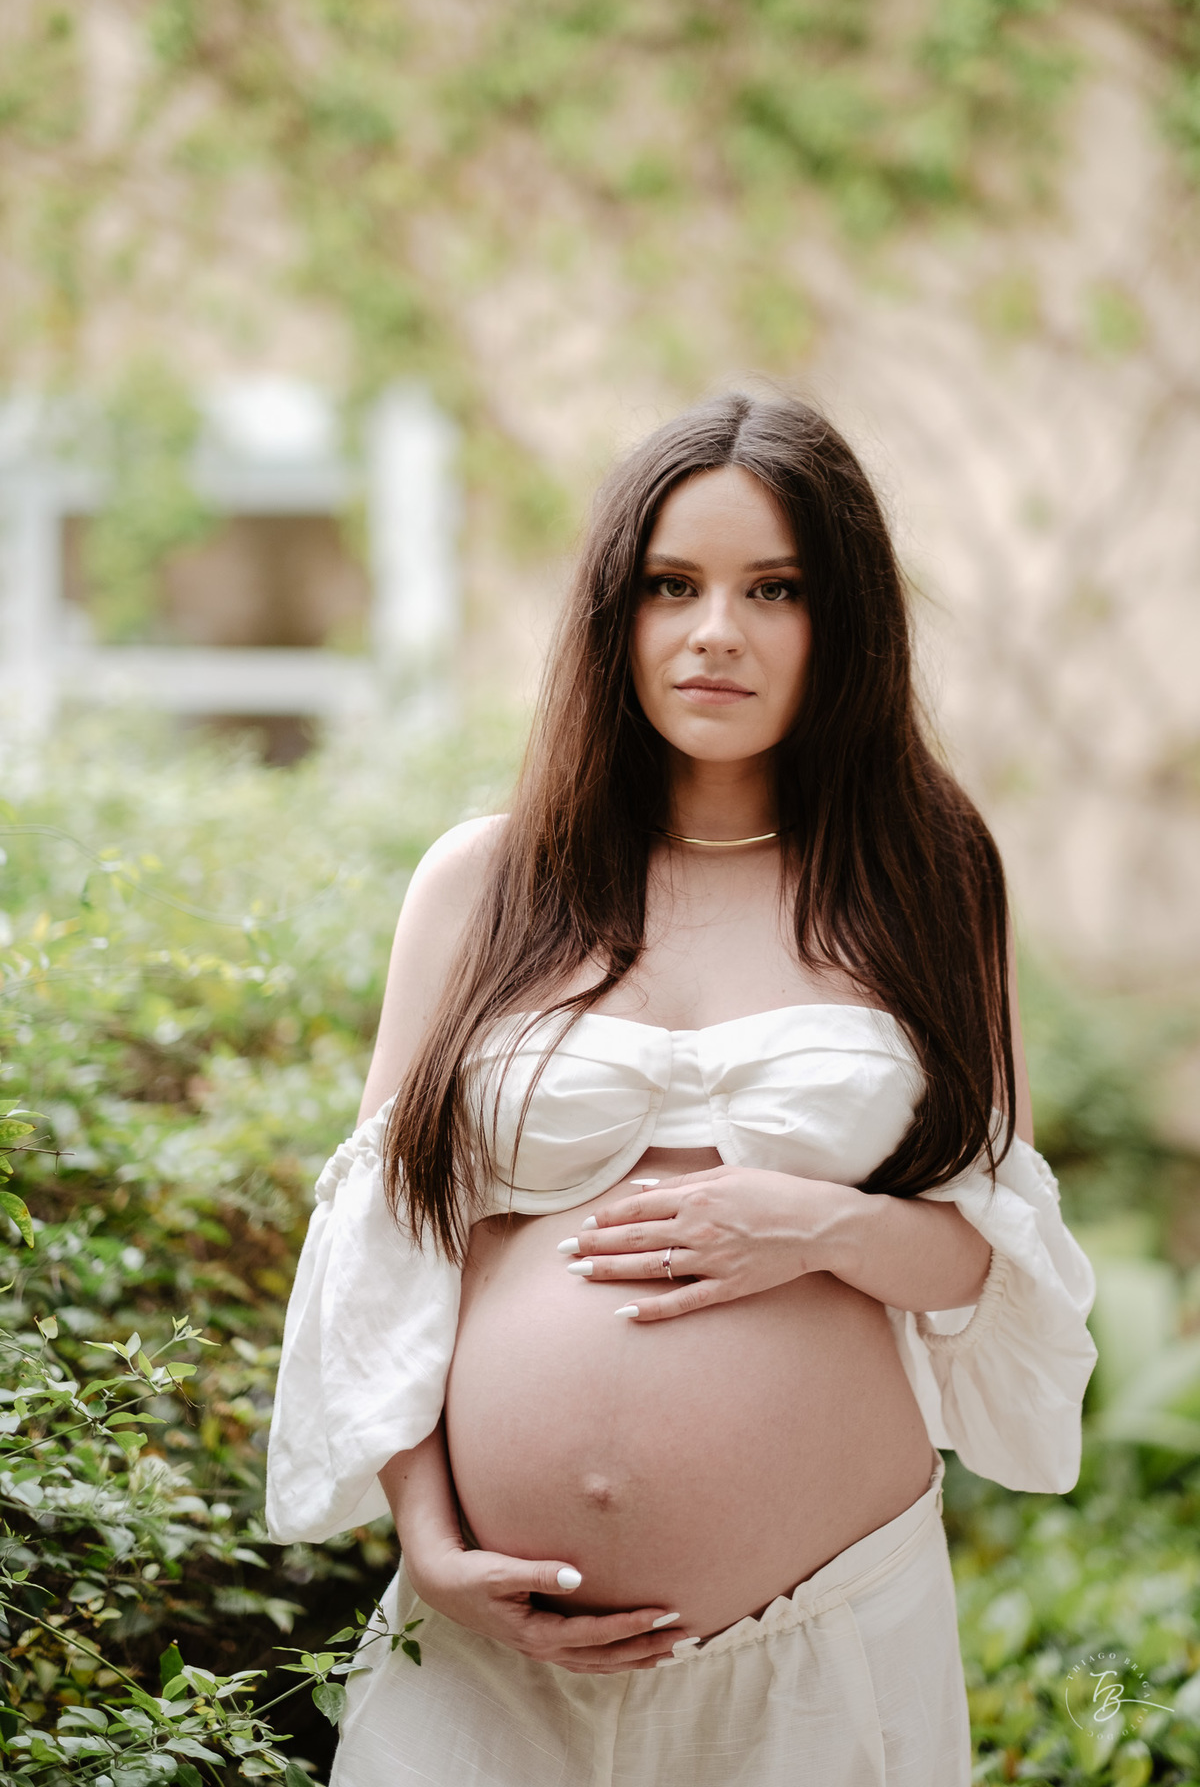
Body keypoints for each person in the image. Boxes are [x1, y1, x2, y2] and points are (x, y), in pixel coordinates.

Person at [266, 392, 1098, 1786]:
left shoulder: (929, 877)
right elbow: (388, 1245)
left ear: (845, 622)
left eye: (775, 588)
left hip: (819, 1647)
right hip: (488, 1665)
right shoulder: (484, 881)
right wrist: (430, 1539)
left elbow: (986, 1247)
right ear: (616, 613)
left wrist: (817, 1224)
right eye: (672, 585)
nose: (716, 631)